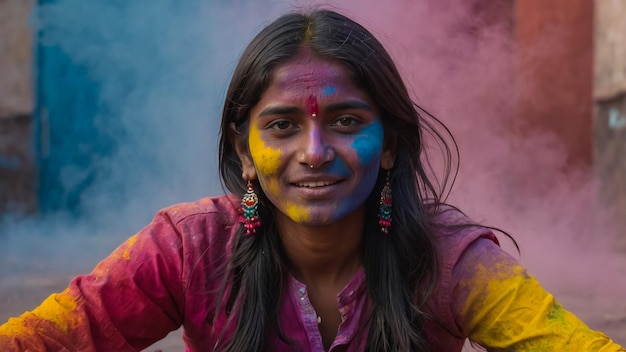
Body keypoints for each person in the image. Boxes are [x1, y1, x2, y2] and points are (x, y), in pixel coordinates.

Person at [1, 8, 624, 352]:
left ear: (389, 147)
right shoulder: (189, 249)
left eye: (348, 122)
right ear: (244, 152)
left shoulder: (450, 260)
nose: (315, 151)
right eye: (281, 127)